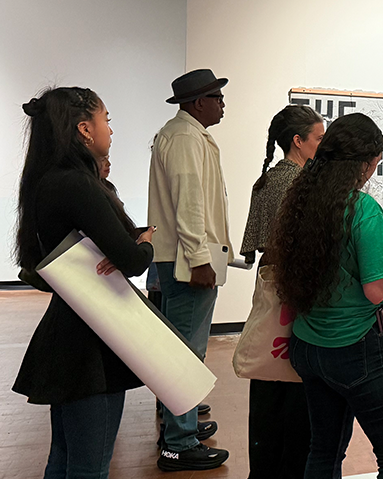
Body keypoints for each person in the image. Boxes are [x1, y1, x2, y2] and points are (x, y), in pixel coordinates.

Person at [272, 113, 383, 477]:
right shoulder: (364, 210)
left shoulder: (302, 202)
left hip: (308, 347)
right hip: (357, 350)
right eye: (374, 163)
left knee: (324, 451)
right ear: (364, 163)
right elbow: (376, 290)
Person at [12, 87, 156, 478]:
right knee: (90, 466)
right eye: (106, 119)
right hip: (92, 341)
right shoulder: (78, 184)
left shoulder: (47, 181)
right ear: (84, 129)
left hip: (69, 330)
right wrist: (143, 244)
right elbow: (131, 261)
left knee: (63, 457)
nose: (111, 128)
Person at [148, 68, 232, 471]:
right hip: (186, 260)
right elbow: (190, 203)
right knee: (184, 351)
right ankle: (178, 444)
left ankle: (180, 426)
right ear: (199, 102)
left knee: (184, 348)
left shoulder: (186, 134)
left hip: (184, 256)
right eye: (217, 97)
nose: (222, 104)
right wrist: (199, 258)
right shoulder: (183, 137)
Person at [239, 104, 324, 478]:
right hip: (296, 286)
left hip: (270, 282)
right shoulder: (300, 183)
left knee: (268, 388)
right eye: (319, 139)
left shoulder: (268, 179)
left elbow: (255, 243)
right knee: (295, 388)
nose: (323, 146)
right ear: (298, 141)